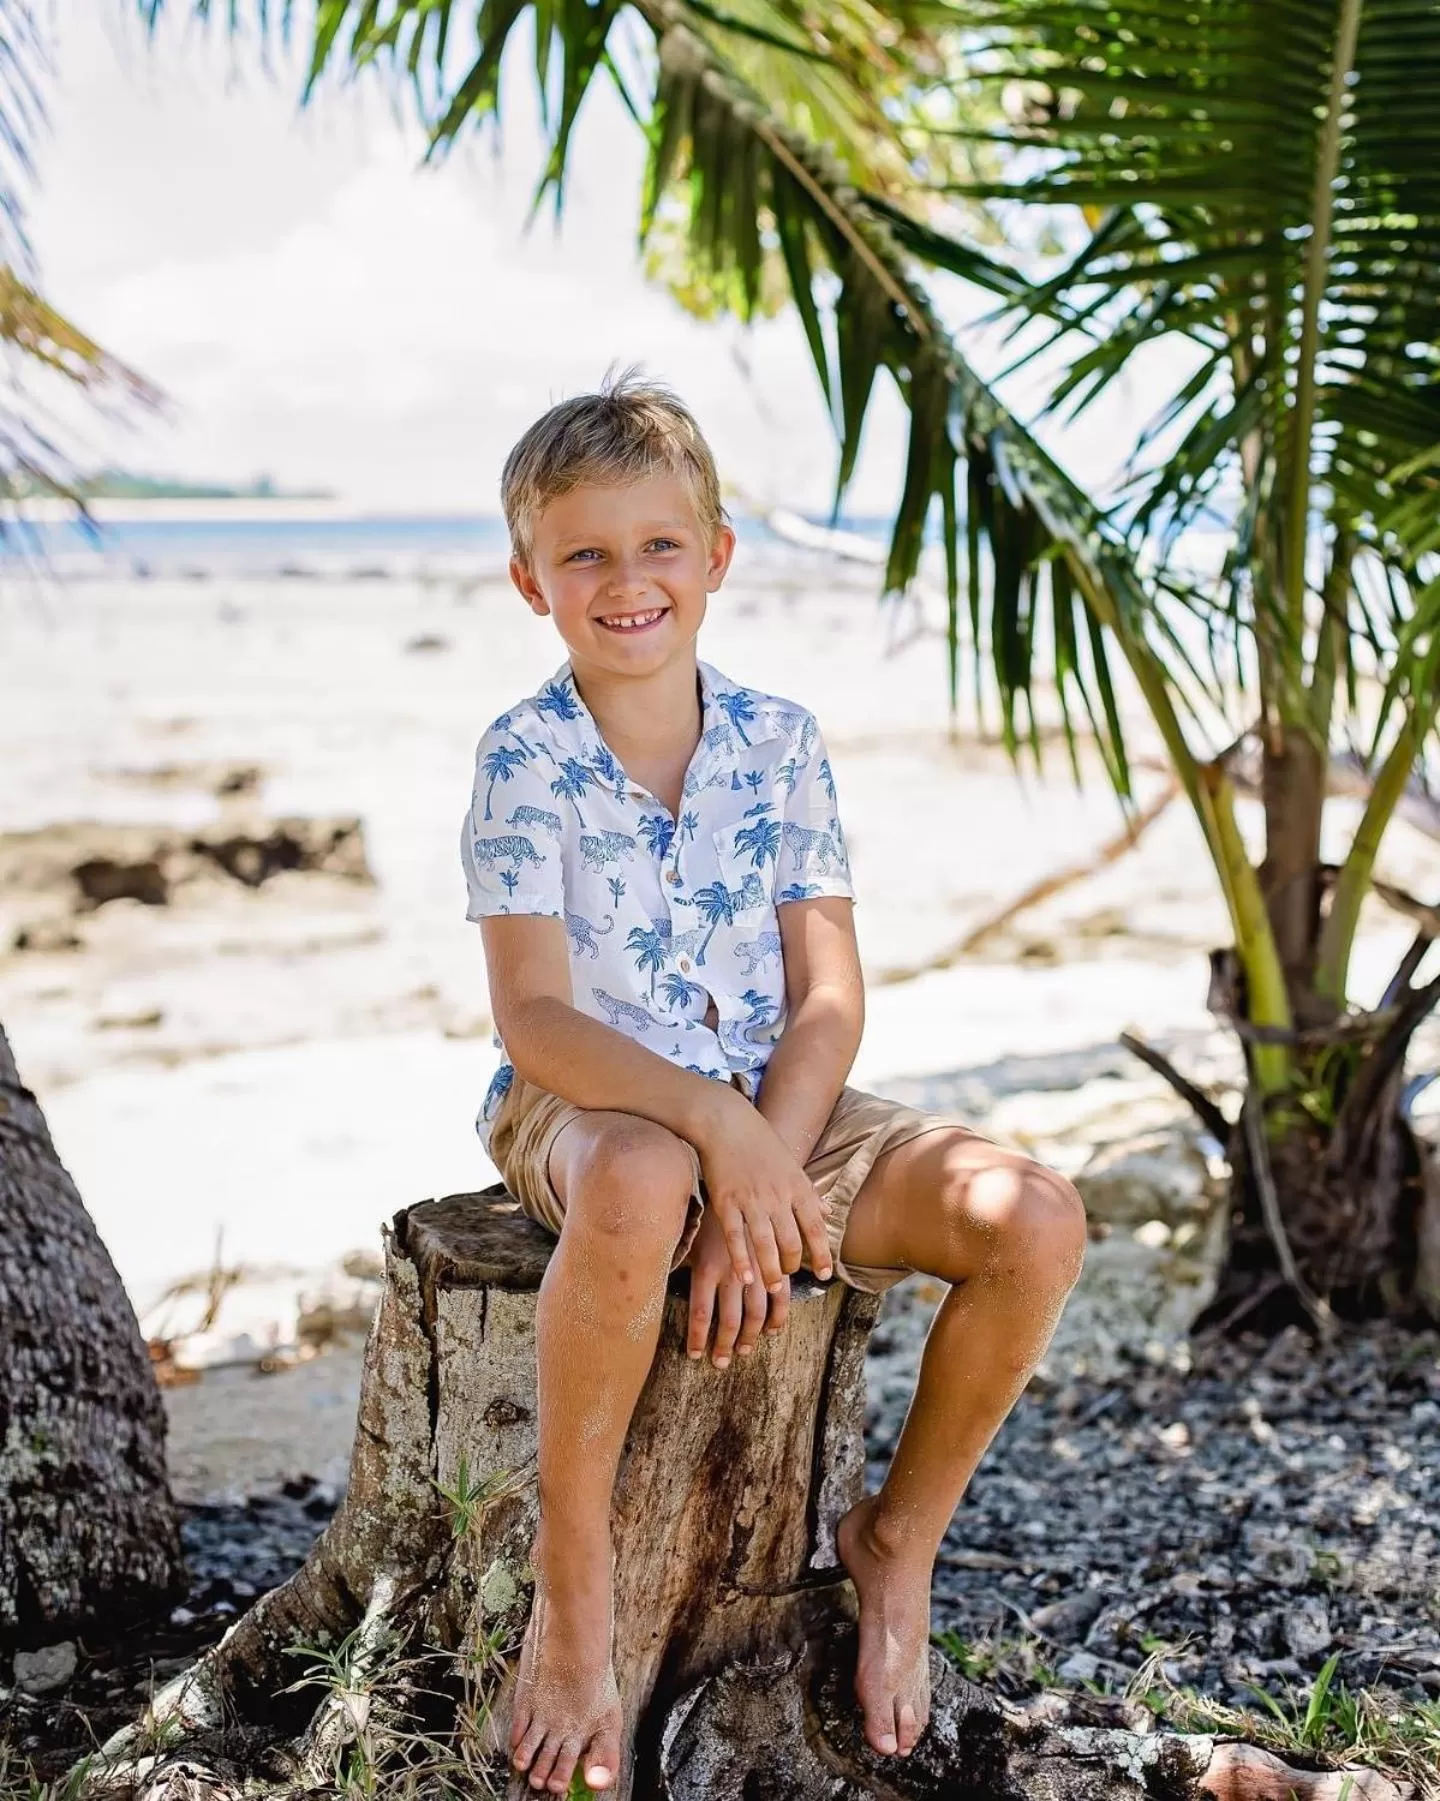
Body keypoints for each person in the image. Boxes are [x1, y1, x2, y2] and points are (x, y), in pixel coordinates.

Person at [461, 371, 1087, 1796]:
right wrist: (717, 1137)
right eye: (585, 554)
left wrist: (766, 1160)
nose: (629, 581)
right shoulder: (523, 759)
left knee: (1037, 1222)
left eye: (660, 544)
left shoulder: (781, 742)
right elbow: (535, 1018)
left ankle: (895, 1542)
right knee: (643, 1175)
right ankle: (574, 1582)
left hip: (781, 1100)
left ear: (718, 556)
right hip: (589, 1099)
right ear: (530, 582)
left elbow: (829, 998)